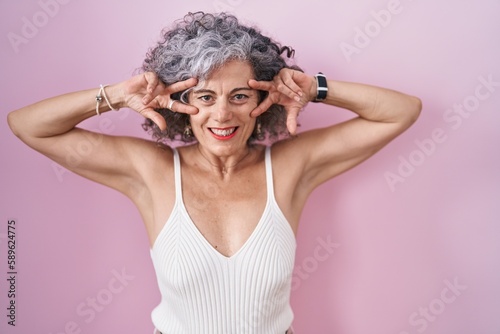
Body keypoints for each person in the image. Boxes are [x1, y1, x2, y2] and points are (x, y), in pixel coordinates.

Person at [7, 11, 421, 334]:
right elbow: (27, 124)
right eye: (205, 97)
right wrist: (115, 96)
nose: (222, 114)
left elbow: (401, 112)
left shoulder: (291, 167)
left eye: (239, 95)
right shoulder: (152, 171)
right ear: (180, 101)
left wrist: (313, 88)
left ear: (264, 101)